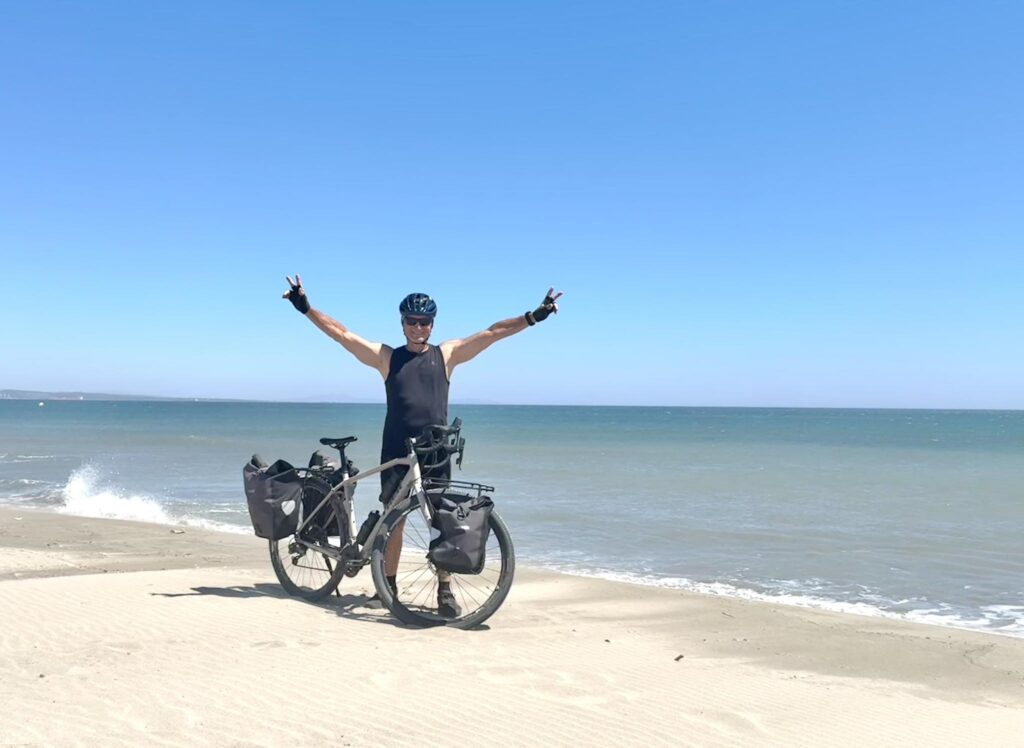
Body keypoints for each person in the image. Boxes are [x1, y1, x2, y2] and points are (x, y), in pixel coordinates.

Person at [283, 275, 562, 617]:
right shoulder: (387, 358)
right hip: (397, 450)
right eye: (411, 321)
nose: (418, 327)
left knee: (441, 519)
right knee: (394, 521)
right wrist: (306, 308)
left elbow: (492, 333)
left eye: (424, 321)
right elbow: (343, 335)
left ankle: (445, 589)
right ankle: (388, 585)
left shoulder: (447, 355)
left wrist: (533, 317)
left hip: (435, 451)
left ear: (432, 324)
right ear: (402, 324)